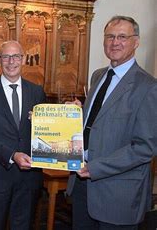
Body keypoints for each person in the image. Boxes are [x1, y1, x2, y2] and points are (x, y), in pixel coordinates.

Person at [66, 15, 157, 230]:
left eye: (122, 37)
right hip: (82, 187)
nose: (115, 42)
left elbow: (145, 147)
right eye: (110, 36)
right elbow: (98, 123)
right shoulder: (98, 76)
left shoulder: (148, 87)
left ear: (136, 42)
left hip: (118, 195)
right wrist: (72, 116)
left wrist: (96, 168)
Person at [0, 40, 46, 229]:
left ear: (23, 59)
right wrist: (12, 155)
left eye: (16, 56)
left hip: (29, 177)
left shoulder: (37, 92)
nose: (11, 61)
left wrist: (67, 115)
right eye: (6, 56)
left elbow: (47, 129)